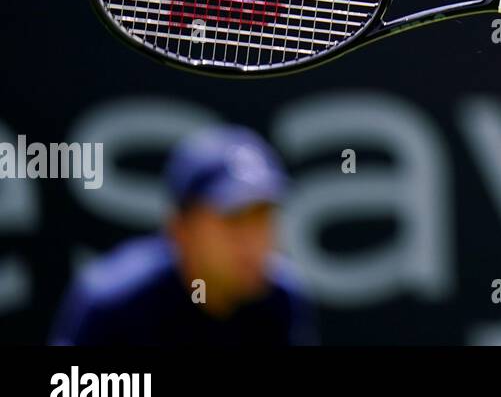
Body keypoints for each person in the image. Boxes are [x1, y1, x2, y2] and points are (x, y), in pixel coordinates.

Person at [50, 125, 318, 345]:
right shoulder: (112, 303)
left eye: (262, 217)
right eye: (234, 219)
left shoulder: (281, 301)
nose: (253, 240)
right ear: (180, 228)